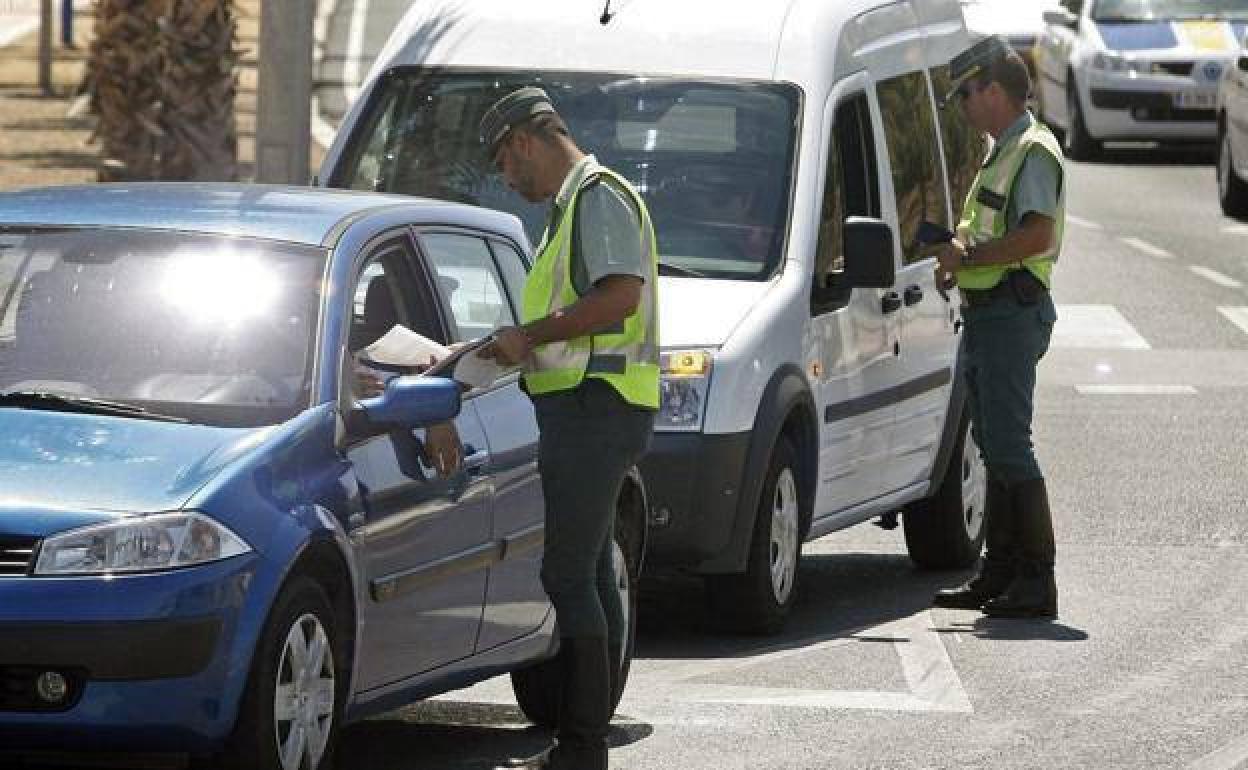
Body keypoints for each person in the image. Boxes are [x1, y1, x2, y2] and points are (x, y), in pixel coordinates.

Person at [476, 86, 659, 769]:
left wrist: (529, 336)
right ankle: (588, 738)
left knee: (569, 576)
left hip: (594, 407)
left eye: (503, 161)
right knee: (589, 575)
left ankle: (581, 747)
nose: (505, 177)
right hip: (588, 408)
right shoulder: (577, 204)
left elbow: (619, 295)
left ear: (524, 141)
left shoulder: (596, 195)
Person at [931, 36, 1065, 620]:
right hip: (988, 314)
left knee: (1010, 445)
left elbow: (1038, 235)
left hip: (1012, 313)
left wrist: (972, 259)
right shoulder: (1001, 149)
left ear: (992, 89)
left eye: (966, 93)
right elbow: (988, 228)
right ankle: (1001, 571)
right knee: (991, 445)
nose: (962, 105)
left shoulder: (1032, 150)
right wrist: (956, 255)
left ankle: (1036, 579)